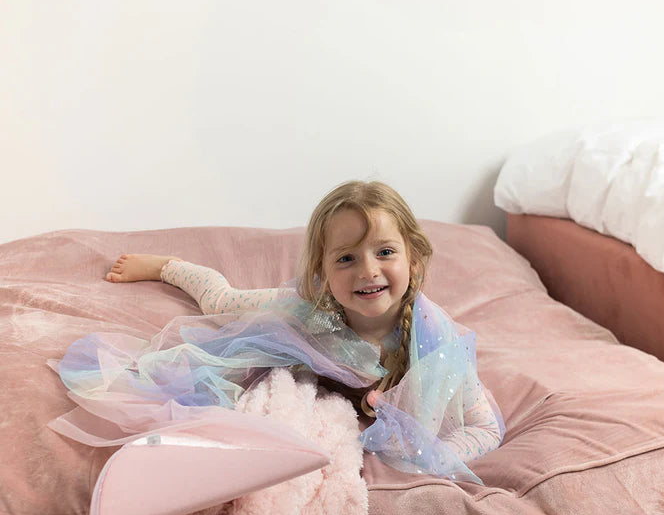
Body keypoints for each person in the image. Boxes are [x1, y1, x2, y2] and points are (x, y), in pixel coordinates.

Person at [56, 181, 504, 481]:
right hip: (308, 321)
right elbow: (221, 305)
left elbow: (485, 428)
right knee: (220, 305)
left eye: (385, 252)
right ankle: (168, 264)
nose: (368, 271)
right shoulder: (311, 312)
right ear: (322, 273)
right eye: (346, 258)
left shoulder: (437, 343)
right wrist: (167, 271)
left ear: (414, 259)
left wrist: (430, 457)